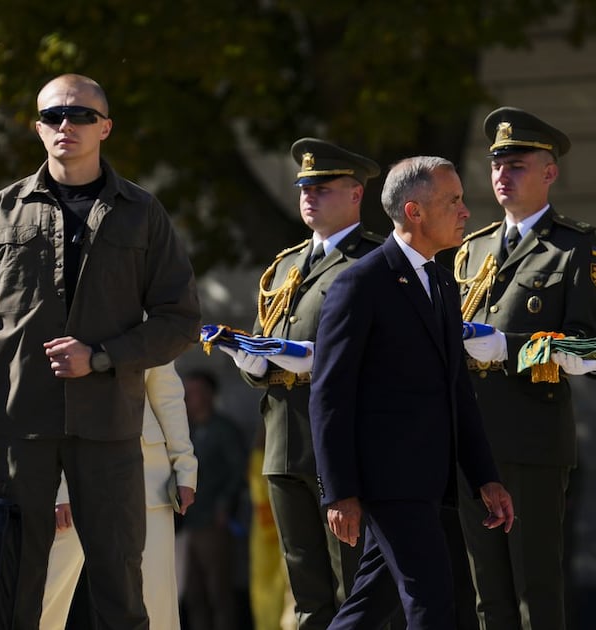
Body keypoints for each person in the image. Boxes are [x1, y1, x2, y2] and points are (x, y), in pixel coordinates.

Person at [0, 73, 200, 629]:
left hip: (110, 429)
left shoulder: (141, 212)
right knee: (14, 596)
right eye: (53, 116)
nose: (67, 125)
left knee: (119, 594)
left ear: (105, 126)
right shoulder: (2, 212)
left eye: (81, 115)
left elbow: (180, 322)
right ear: (38, 128)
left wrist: (101, 356)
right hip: (16, 431)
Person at [310, 156, 516, 629]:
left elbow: (456, 388)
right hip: (387, 481)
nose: (466, 211)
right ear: (414, 211)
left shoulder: (442, 281)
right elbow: (330, 395)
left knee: (370, 607)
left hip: (429, 479)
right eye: (454, 201)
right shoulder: (360, 284)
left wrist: (485, 475)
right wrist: (338, 492)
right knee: (433, 601)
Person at [453, 107, 596, 630]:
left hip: (533, 439)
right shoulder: (470, 252)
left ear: (549, 172)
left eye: (517, 165)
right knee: (487, 592)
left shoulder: (574, 246)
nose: (502, 175)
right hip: (472, 440)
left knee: (535, 588)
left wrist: (506, 346)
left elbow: (586, 344)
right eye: (497, 165)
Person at [223, 138, 384, 629]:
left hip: (342, 451)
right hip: (283, 444)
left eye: (324, 188)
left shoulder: (376, 261)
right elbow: (269, 345)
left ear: (356, 195)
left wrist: (318, 361)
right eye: (304, 188)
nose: (309, 196)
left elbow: (391, 358)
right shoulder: (287, 266)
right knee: (307, 593)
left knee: (355, 588)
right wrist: (248, 361)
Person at [40, 361, 198, 630]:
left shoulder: (147, 317)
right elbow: (44, 398)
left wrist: (185, 466)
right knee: (45, 597)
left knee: (155, 600)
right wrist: (62, 487)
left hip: (147, 475)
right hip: (70, 473)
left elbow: (167, 393)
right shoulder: (54, 318)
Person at [179, 370, 249, 630]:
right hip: (190, 522)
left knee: (218, 591)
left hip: (213, 523)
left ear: (209, 394)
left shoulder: (224, 429)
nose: (189, 399)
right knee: (194, 594)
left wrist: (224, 505)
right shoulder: (186, 432)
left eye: (195, 392)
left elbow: (240, 470)